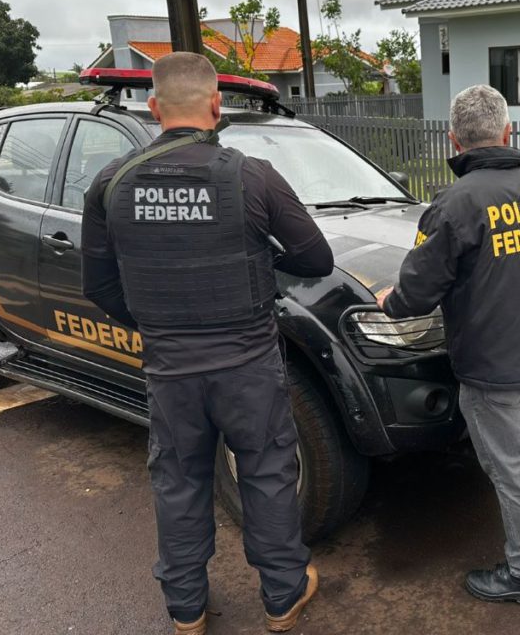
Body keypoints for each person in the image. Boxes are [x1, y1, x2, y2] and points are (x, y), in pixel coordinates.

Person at [81, 52, 333, 635]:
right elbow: (316, 258)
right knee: (266, 473)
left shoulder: (111, 182)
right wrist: (260, 260)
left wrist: (158, 323)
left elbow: (99, 285)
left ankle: (187, 610)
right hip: (248, 364)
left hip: (170, 369)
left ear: (153, 108)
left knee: (179, 480)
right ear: (217, 106)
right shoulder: (252, 175)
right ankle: (283, 599)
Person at [376, 84, 520, 606]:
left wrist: (390, 303)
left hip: (490, 364)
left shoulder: (454, 203)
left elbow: (418, 288)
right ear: (507, 132)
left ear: (454, 140)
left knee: (510, 467)